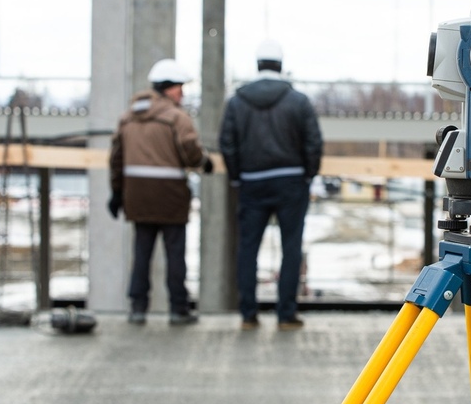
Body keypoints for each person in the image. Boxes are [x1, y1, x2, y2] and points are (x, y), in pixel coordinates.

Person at [218, 40, 323, 331]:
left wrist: (237, 176)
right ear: (280, 65)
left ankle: (248, 313)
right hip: (291, 181)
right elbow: (313, 142)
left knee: (248, 248)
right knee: (291, 247)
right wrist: (307, 174)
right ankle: (286, 314)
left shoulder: (237, 101)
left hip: (252, 183)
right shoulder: (298, 101)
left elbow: (227, 143)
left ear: (258, 65)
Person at [108, 58, 213, 325]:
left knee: (142, 253)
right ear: (168, 88)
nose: (182, 93)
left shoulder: (128, 117)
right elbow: (190, 151)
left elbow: (116, 159)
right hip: (170, 197)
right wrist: (204, 162)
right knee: (175, 254)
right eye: (179, 87)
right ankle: (179, 309)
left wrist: (117, 193)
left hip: (137, 197)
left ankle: (137, 308)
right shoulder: (177, 118)